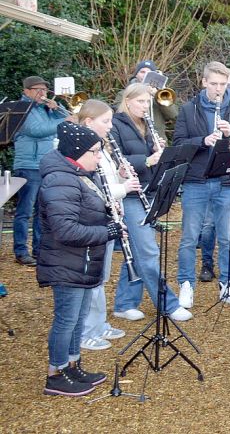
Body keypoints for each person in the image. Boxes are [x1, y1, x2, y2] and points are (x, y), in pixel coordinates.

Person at [38, 122, 121, 396]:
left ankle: (73, 364)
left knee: (78, 318)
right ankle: (56, 373)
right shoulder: (60, 179)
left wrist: (108, 214)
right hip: (66, 262)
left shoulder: (80, 174)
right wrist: (107, 230)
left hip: (83, 260)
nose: (99, 157)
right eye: (95, 152)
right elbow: (66, 230)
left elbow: (87, 211)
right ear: (77, 152)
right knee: (66, 319)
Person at [110, 84, 193, 323]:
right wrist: (147, 159)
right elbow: (117, 160)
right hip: (129, 194)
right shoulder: (115, 124)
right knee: (148, 251)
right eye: (140, 102)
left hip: (149, 189)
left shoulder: (146, 125)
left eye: (148, 102)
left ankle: (125, 303)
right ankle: (168, 304)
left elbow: (154, 160)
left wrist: (161, 153)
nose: (145, 107)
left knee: (138, 251)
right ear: (127, 100)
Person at [172, 62, 230, 308]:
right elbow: (179, 143)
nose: (218, 89)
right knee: (189, 236)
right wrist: (203, 140)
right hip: (197, 180)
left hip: (228, 179)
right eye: (213, 84)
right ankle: (186, 284)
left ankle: (227, 284)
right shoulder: (188, 109)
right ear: (204, 82)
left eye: (223, 84)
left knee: (228, 237)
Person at [75, 100, 141, 351]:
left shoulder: (102, 146)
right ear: (88, 122)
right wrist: (122, 189)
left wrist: (121, 177)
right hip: (94, 218)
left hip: (109, 216)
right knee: (91, 278)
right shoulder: (81, 148)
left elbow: (108, 178)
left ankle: (99, 324)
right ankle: (85, 331)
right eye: (106, 121)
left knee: (101, 276)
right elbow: (93, 189)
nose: (110, 126)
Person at [13, 75, 69, 266]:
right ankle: (21, 251)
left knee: (42, 210)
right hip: (28, 165)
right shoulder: (22, 109)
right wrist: (62, 120)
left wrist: (58, 109)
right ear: (26, 91)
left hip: (45, 164)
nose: (42, 93)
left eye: (44, 90)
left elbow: (67, 122)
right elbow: (36, 130)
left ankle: (39, 249)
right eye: (37, 89)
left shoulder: (45, 108)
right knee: (25, 211)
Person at [128, 60, 178, 139]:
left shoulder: (160, 94)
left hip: (159, 140)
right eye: (142, 72)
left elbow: (173, 115)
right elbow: (120, 112)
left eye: (149, 72)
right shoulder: (125, 93)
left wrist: (157, 96)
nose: (145, 75)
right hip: (134, 138)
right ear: (136, 75)